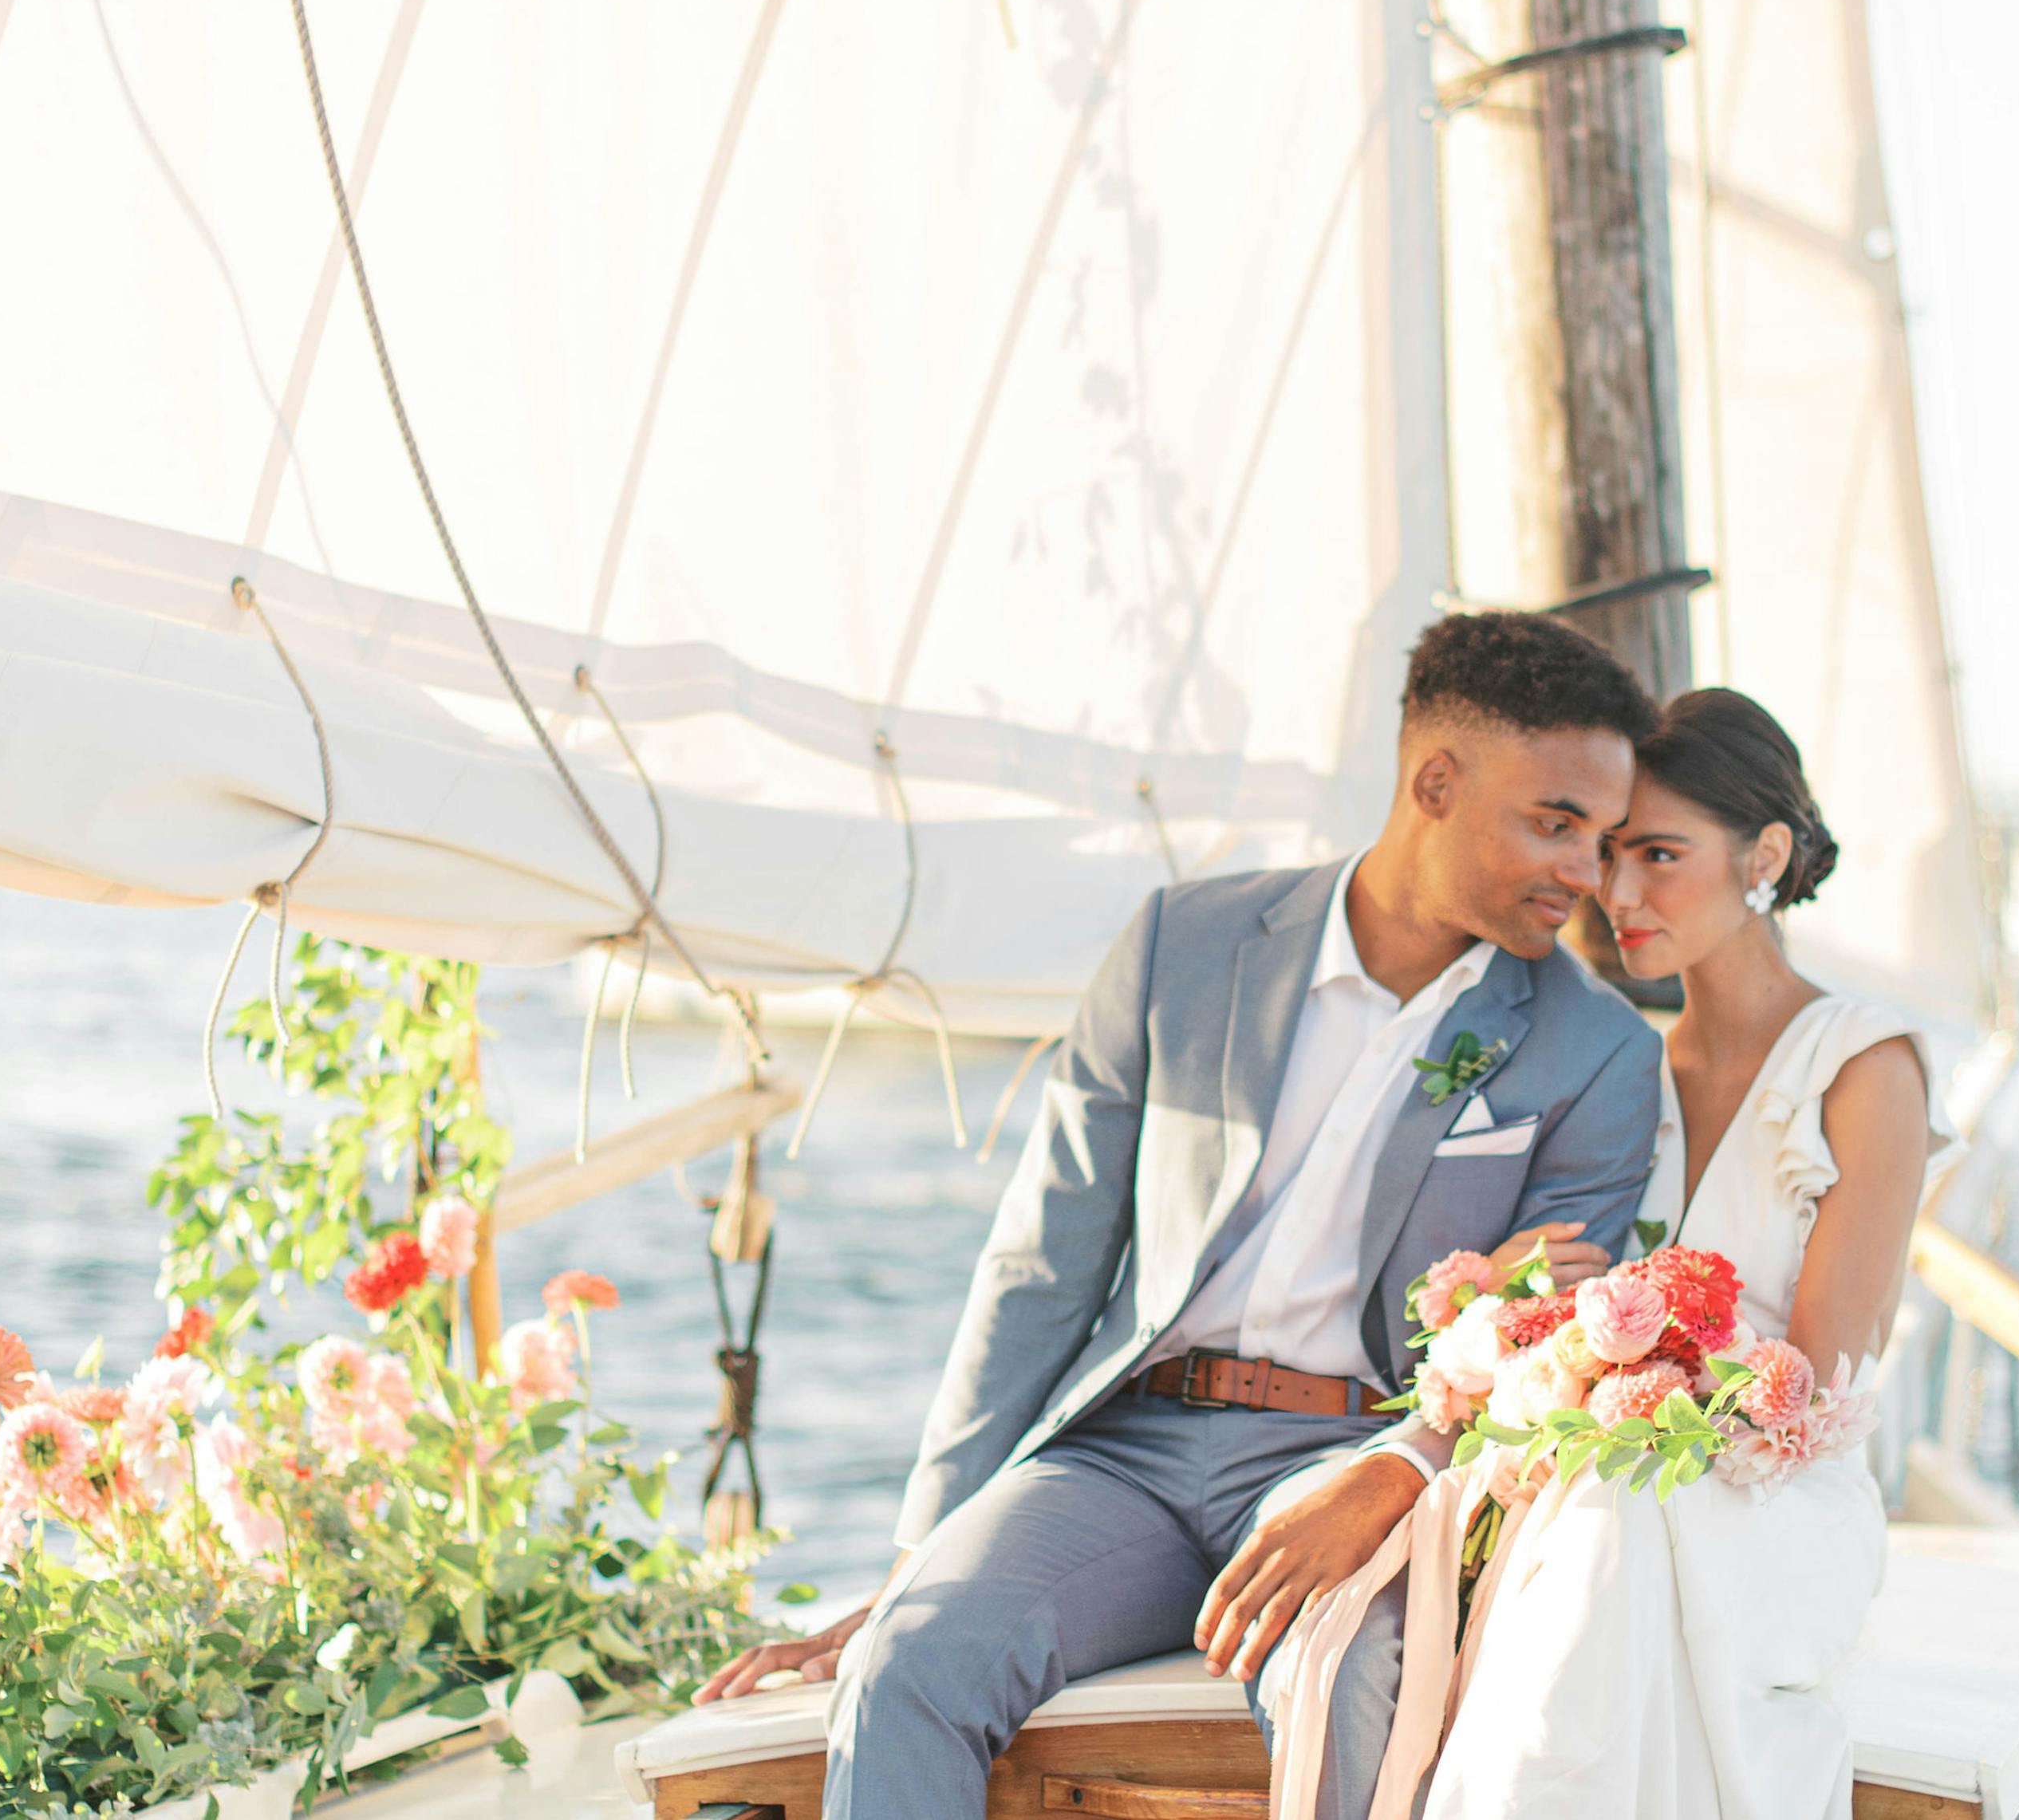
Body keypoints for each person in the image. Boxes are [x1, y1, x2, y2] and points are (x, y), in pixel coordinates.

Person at [693, 612, 1669, 1820]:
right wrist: (918, 1562)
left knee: (1349, 1680)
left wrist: (1392, 1476)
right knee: (911, 1663)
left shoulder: (1600, 1052)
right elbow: (1046, 1263)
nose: (1588, 872)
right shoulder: (1185, 945)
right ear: (1435, 782)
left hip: (1357, 1457)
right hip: (1125, 1456)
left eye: (1606, 837)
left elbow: (1550, 1358)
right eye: (1557, 824)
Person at [1276, 686, 1950, 1820]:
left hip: (1781, 1499)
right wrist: (1522, 1299)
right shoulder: (1620, 1063)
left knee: (1614, 1519)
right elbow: (1555, 1277)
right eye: (1605, 854)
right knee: (1602, 1512)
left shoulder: (1863, 1066)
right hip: (1616, 1466)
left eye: (1659, 855)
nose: (1615, 893)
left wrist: (1616, 1336)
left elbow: (1822, 1377)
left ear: (1765, 855)